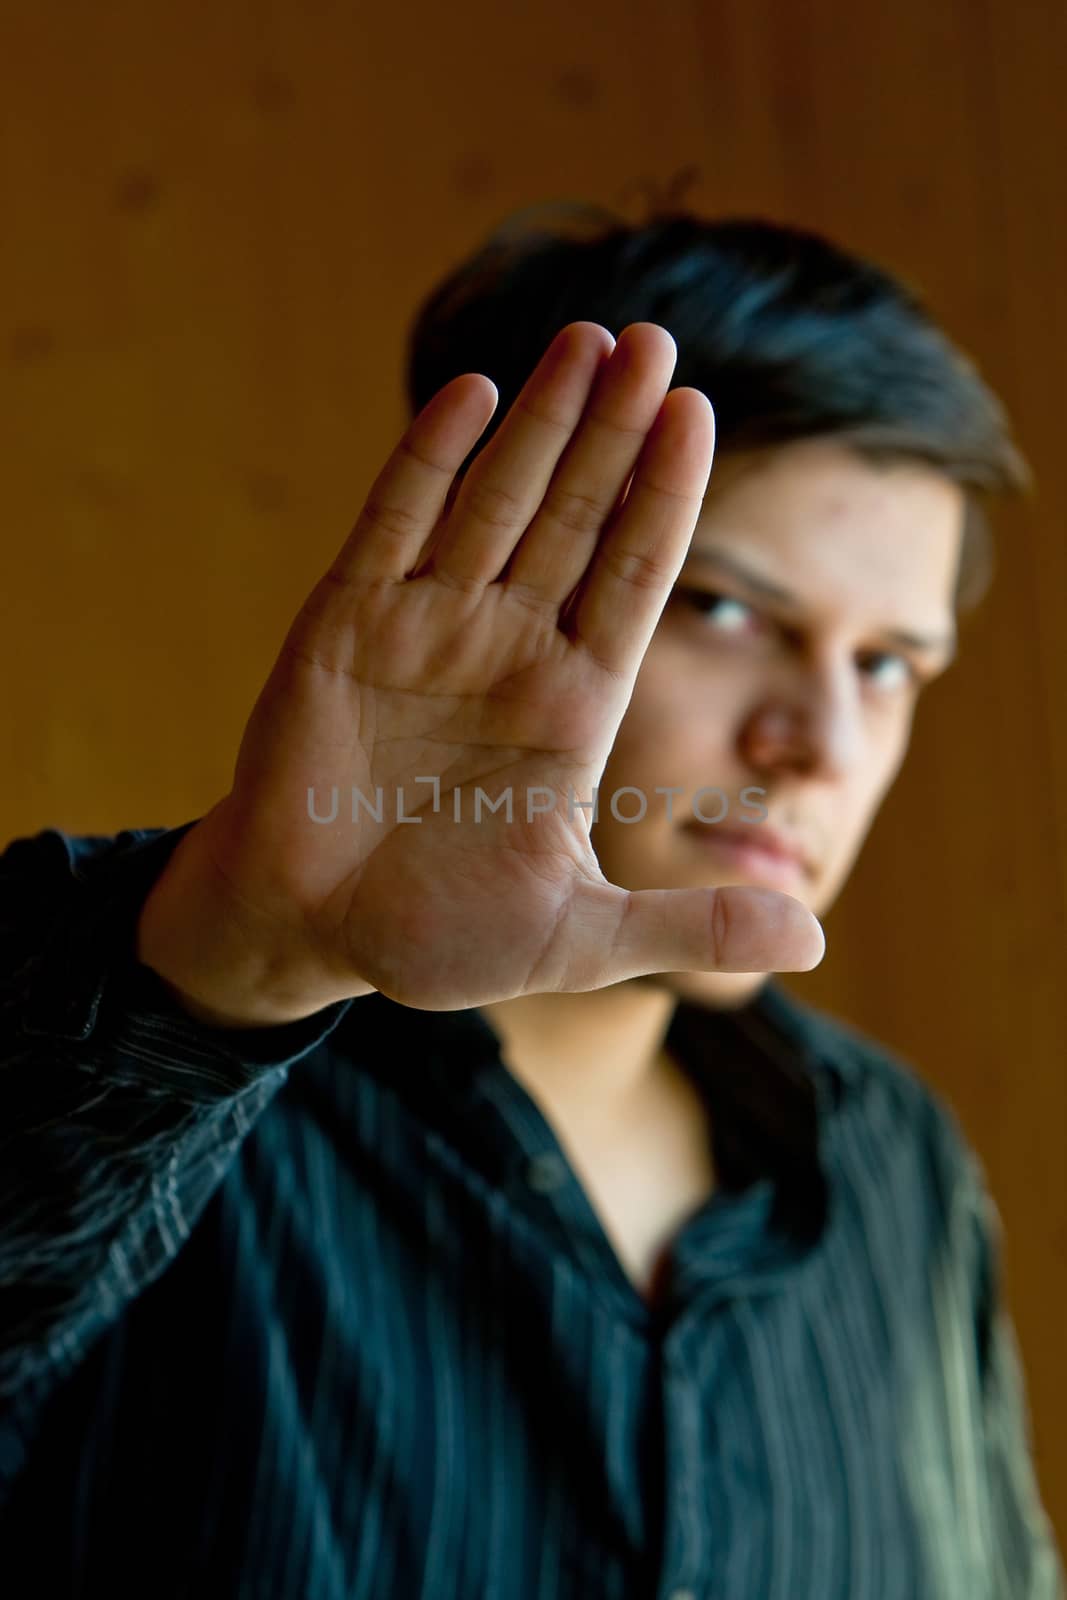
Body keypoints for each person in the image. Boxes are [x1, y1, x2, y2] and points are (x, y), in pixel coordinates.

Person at [0, 193, 1062, 1599]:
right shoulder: (159, 1063)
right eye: (728, 611)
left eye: (886, 665)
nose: (822, 744)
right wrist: (234, 961)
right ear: (510, 562)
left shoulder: (891, 1171)